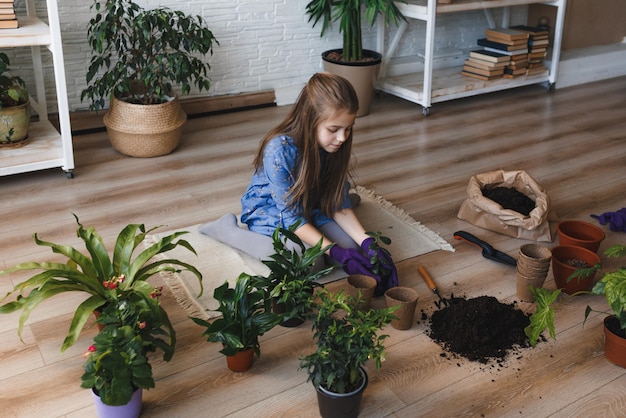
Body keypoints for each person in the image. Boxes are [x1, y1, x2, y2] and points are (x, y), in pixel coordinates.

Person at [199, 72, 398, 294]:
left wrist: (368, 243)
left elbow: (338, 205)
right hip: (272, 209)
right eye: (334, 130)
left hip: (312, 202)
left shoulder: (335, 146)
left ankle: (341, 220)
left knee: (351, 247)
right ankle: (226, 230)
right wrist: (335, 252)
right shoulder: (279, 150)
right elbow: (292, 219)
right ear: (309, 118)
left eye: (348, 128)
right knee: (308, 263)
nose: (342, 138)